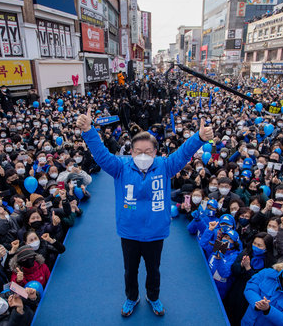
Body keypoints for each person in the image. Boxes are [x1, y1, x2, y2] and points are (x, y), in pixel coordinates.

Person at [77, 107, 214, 317]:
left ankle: (153, 296)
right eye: (138, 151)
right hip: (129, 232)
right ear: (131, 152)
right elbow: (101, 155)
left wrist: (199, 138)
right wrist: (88, 131)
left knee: (154, 270)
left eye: (148, 151)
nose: (143, 155)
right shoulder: (120, 167)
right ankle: (132, 298)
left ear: (155, 152)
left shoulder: (165, 166)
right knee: (130, 271)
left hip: (155, 232)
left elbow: (184, 152)